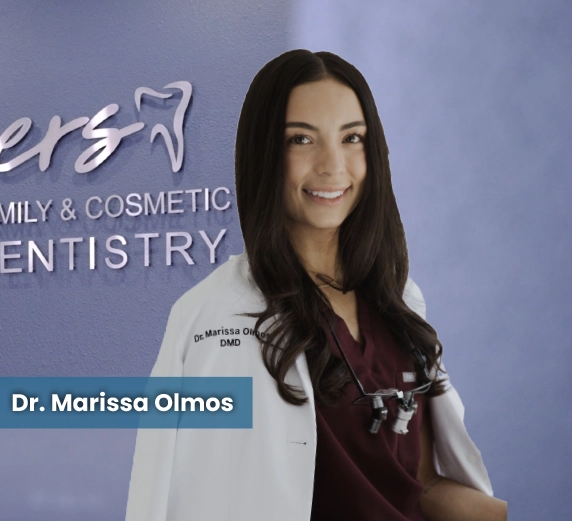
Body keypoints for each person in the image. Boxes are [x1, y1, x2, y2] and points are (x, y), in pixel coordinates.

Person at [125, 50, 506, 520]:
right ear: (264, 153)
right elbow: (156, 487)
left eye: (352, 138)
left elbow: (418, 483)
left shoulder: (399, 301)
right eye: (302, 139)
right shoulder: (211, 314)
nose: (332, 165)